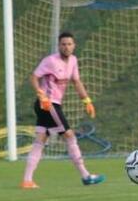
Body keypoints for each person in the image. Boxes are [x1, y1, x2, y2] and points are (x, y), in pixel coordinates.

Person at [20, 32, 106, 189]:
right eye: (63, 44)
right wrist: (40, 93)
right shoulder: (50, 61)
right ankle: (86, 176)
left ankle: (27, 180)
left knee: (40, 139)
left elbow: (76, 81)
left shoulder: (73, 61)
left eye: (69, 44)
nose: (66, 47)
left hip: (53, 105)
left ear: (74, 46)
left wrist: (87, 100)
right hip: (47, 104)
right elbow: (33, 76)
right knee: (69, 136)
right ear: (59, 46)